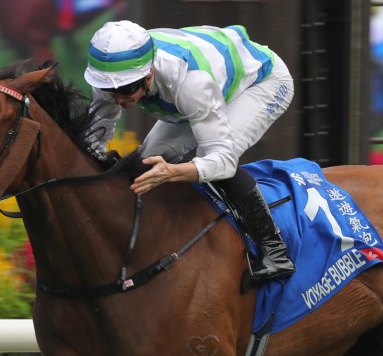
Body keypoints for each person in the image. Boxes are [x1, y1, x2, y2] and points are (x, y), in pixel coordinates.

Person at [83, 20, 296, 282]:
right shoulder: (112, 73)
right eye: (109, 90)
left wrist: (173, 172)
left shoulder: (190, 84)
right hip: (204, 88)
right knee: (144, 165)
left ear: (148, 73)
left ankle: (274, 250)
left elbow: (223, 162)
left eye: (126, 89)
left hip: (261, 83)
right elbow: (94, 138)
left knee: (212, 166)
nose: (117, 98)